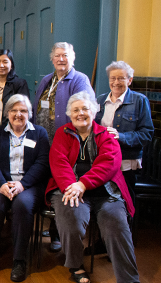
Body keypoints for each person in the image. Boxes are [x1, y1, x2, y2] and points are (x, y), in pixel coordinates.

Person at [46, 92, 139, 283]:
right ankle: (76, 265)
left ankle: (129, 279)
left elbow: (109, 163)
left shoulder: (107, 134)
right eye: (76, 110)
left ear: (95, 111)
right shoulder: (62, 133)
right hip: (70, 189)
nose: (80, 113)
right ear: (70, 114)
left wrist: (83, 184)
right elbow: (58, 162)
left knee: (116, 223)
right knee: (71, 218)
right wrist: (72, 186)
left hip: (106, 192)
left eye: (85, 109)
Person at [32, 42, 95, 252]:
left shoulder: (79, 80)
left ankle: (58, 231)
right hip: (42, 141)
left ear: (72, 58)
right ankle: (48, 226)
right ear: (52, 59)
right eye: (57, 55)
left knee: (62, 183)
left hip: (66, 142)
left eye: (65, 55)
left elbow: (83, 110)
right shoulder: (46, 80)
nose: (61, 59)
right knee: (44, 182)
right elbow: (35, 107)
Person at [0, 95, 50, 281]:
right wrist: (1, 184)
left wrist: (22, 184)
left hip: (29, 184)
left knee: (23, 205)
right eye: (14, 110)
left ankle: (19, 259)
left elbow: (43, 163)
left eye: (23, 111)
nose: (18, 114)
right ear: (7, 113)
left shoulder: (40, 133)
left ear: (30, 113)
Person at [94, 61, 153, 203]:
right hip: (102, 160)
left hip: (125, 162)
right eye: (112, 78)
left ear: (130, 80)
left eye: (121, 78)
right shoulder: (100, 100)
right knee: (102, 200)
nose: (116, 82)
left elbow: (147, 134)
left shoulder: (140, 101)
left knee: (125, 201)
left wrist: (121, 136)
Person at [0, 49, 29, 128]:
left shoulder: (19, 84)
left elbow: (23, 111)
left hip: (11, 130)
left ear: (11, 65)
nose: (1, 65)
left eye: (5, 62)